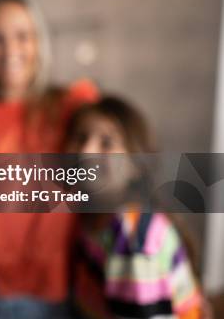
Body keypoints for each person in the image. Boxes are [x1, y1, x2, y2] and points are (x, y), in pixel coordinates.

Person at [0, 0, 98, 318]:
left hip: (46, 293)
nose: (10, 50)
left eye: (22, 36)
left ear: (38, 43)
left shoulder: (70, 106)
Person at [64, 96, 207, 319]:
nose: (85, 151)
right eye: (80, 137)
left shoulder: (134, 239)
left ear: (135, 165)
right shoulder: (88, 216)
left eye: (107, 143)